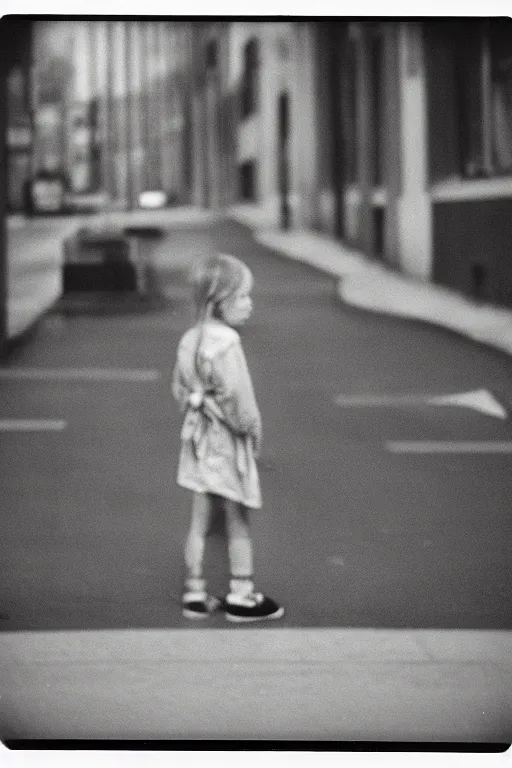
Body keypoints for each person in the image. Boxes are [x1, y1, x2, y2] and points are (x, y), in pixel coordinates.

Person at [172, 253, 284, 623]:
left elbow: (179, 389)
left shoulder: (190, 340)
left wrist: (197, 406)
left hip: (198, 440)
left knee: (199, 519)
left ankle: (195, 592)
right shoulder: (227, 344)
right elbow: (241, 401)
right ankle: (241, 594)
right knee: (237, 517)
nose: (249, 303)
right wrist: (253, 432)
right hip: (225, 442)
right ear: (218, 301)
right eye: (241, 297)